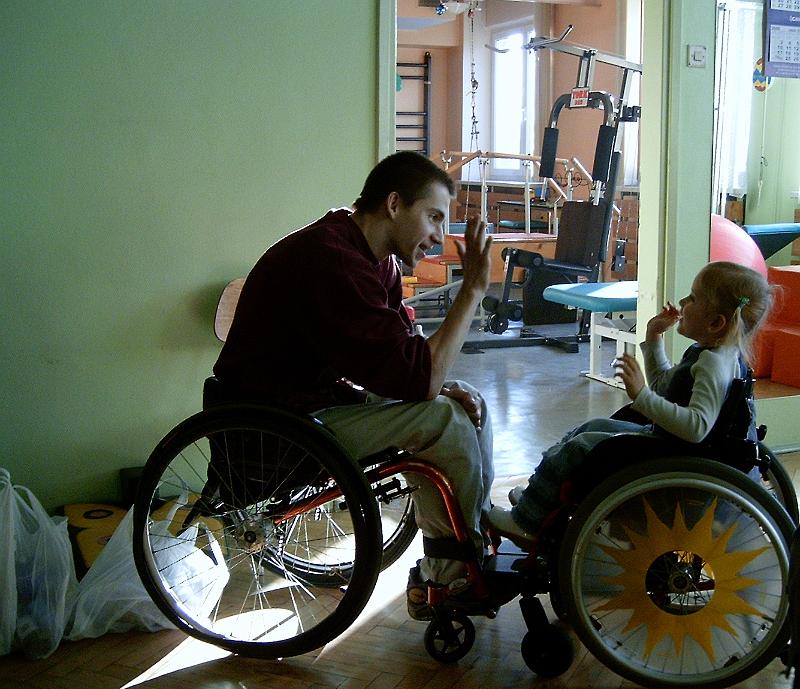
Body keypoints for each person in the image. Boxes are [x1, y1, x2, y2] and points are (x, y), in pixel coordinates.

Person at [212, 151, 494, 620]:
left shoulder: (375, 260)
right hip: (277, 426)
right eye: (433, 217)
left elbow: (403, 362)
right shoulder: (332, 258)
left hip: (316, 404)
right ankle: (450, 575)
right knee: (443, 419)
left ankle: (472, 534)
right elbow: (418, 377)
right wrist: (472, 292)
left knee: (466, 400)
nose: (439, 236)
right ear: (394, 204)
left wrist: (441, 386)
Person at [488, 260, 775, 548]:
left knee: (581, 447)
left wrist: (642, 396)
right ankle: (540, 498)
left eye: (692, 298)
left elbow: (696, 428)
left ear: (715, 323)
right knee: (591, 428)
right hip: (672, 445)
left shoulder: (712, 364)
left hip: (676, 455)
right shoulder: (712, 354)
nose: (683, 302)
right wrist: (653, 337)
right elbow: (664, 388)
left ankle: (526, 522)